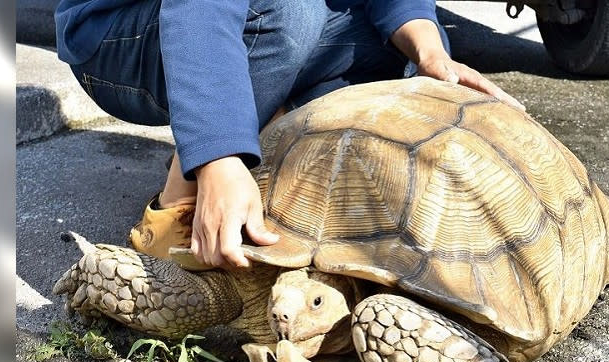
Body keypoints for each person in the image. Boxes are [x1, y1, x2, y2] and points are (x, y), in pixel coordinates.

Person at [55, 0, 524, 270]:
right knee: (291, 13)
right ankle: (180, 193)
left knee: (390, 46)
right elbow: (201, 7)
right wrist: (215, 158)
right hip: (120, 35)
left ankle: (262, 128)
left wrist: (428, 51)